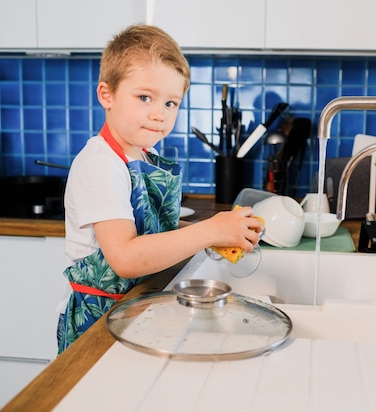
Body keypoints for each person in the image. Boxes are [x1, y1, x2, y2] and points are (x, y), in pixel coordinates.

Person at [56, 24, 263, 353]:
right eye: (144, 97)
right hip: (99, 320)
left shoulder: (140, 154)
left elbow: (153, 230)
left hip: (135, 307)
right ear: (106, 95)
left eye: (171, 103)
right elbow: (125, 257)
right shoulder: (100, 164)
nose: (159, 114)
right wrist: (209, 231)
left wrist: (217, 233)